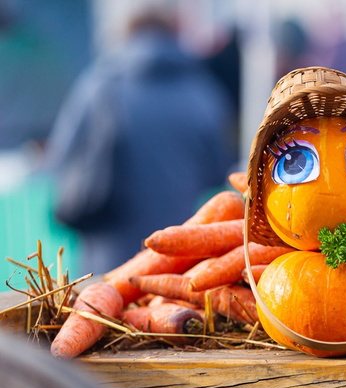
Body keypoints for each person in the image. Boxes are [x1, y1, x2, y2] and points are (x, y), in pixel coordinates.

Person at [42, 8, 236, 276]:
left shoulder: (99, 86)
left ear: (128, 35)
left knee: (99, 310)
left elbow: (61, 156)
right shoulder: (202, 92)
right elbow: (218, 170)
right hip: (173, 258)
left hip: (106, 257)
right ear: (174, 35)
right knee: (169, 315)